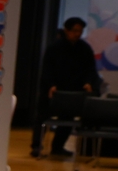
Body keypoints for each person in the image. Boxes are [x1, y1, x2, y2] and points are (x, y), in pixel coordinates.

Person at [33, 17, 102, 157]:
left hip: (74, 91)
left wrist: (89, 82)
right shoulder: (54, 48)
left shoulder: (85, 48)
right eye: (75, 31)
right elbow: (47, 70)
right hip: (54, 91)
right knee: (42, 116)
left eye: (80, 31)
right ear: (66, 30)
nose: (77, 34)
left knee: (69, 118)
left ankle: (58, 147)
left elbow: (91, 70)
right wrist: (51, 85)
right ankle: (36, 146)